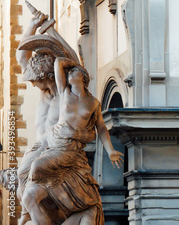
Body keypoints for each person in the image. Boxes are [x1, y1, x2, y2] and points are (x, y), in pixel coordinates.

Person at [22, 57, 124, 225]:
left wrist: (111, 150)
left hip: (70, 149)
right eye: (70, 72)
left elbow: (102, 129)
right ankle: (32, 210)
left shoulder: (93, 103)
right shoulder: (64, 93)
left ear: (83, 78)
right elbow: (58, 63)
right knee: (28, 188)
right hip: (55, 143)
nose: (70, 73)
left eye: (75, 71)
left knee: (37, 167)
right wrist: (73, 64)